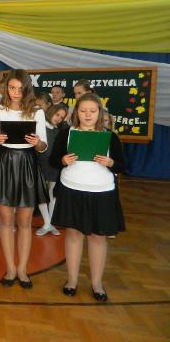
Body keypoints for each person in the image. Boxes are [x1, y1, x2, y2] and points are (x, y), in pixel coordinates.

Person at [50, 93, 125, 302]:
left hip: (102, 192)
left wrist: (111, 163)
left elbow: (122, 165)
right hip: (72, 189)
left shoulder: (109, 136)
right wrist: (63, 160)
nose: (88, 115)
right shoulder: (66, 133)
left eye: (92, 111)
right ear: (76, 113)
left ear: (100, 112)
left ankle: (96, 283)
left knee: (98, 237)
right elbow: (54, 160)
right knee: (74, 234)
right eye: (83, 111)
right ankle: (72, 280)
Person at [0, 69, 48, 289]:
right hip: (4, 163)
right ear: (6, 88)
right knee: (5, 219)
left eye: (20, 89)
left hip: (27, 163)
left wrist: (37, 142)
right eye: (12, 88)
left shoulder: (37, 112)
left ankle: (22, 269)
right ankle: (10, 268)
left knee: (24, 221)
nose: (15, 92)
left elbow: (43, 147)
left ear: (27, 89)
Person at [35, 104, 68, 236]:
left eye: (61, 117)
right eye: (57, 114)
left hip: (54, 166)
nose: (58, 118)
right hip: (40, 164)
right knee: (42, 194)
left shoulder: (59, 131)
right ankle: (47, 223)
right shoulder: (39, 127)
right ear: (51, 111)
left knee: (52, 194)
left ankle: (50, 223)